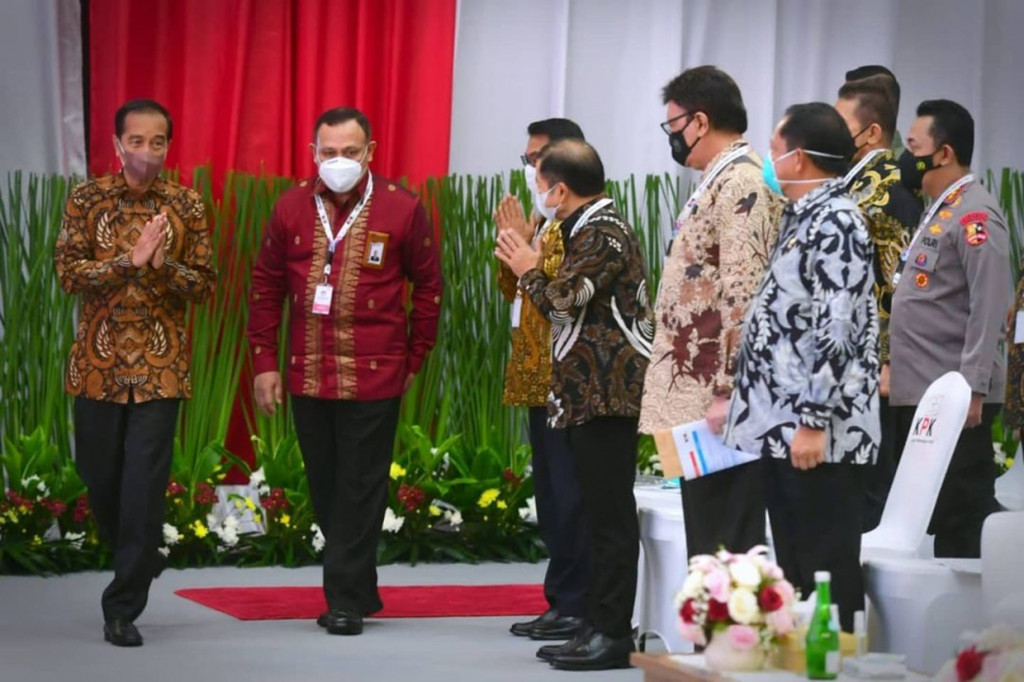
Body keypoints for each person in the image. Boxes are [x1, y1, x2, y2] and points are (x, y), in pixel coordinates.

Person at [248, 107, 442, 635]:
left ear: (370, 153)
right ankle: (358, 587)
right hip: (307, 371)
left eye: (350, 152)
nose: (339, 162)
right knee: (327, 483)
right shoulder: (290, 205)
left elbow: (428, 288)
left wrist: (415, 356)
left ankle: (343, 601)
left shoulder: (403, 208)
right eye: (329, 152)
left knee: (360, 484)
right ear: (314, 154)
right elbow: (265, 288)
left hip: (375, 372)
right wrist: (264, 361)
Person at [54, 98, 216, 647]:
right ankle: (143, 552)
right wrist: (128, 261)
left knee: (143, 487)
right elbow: (68, 273)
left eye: (159, 142)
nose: (148, 152)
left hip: (159, 369)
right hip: (96, 371)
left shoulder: (186, 205)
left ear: (169, 146)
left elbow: (205, 284)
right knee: (98, 476)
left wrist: (163, 264)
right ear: (117, 143)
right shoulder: (86, 198)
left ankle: (122, 607)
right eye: (137, 141)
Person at [495, 139, 653, 671]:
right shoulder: (581, 227)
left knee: (609, 518)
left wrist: (528, 267)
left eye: (540, 184)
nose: (537, 194)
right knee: (593, 512)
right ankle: (593, 621)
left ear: (560, 188)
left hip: (607, 394)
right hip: (585, 392)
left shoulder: (605, 232)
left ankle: (612, 632)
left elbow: (564, 302)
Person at [724, 103, 879, 633]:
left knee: (825, 568)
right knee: (796, 567)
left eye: (774, 147)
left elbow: (839, 329)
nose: (768, 157)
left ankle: (838, 665)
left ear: (801, 157)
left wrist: (813, 421)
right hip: (784, 426)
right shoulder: (804, 217)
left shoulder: (838, 221)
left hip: (820, 436)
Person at [639, 66, 782, 558]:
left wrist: (729, 387)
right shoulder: (716, 179)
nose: (673, 137)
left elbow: (744, 290)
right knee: (707, 535)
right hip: (698, 390)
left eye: (673, 125)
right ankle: (713, 634)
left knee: (726, 539)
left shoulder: (743, 181)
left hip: (720, 399)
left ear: (699, 121)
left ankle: (731, 634)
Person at [889, 99, 1010, 558]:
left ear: (943, 153)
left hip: (959, 396)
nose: (905, 156)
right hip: (927, 389)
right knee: (944, 513)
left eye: (913, 146)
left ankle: (985, 618)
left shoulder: (975, 215)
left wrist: (973, 388)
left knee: (964, 512)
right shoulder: (942, 208)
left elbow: (989, 304)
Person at [495, 119, 591, 642]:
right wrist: (516, 245)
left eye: (538, 159)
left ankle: (579, 603)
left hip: (568, 378)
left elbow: (567, 299)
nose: (530, 169)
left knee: (572, 496)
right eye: (527, 158)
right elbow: (512, 287)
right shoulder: (547, 219)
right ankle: (561, 601)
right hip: (535, 372)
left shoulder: (583, 223)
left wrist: (531, 255)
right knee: (552, 498)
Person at [834, 74, 923, 530]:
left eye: (839, 123)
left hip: (874, 368)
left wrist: (888, 362)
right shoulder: (851, 184)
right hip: (848, 363)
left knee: (870, 493)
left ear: (871, 132)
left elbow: (899, 281)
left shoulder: (886, 187)